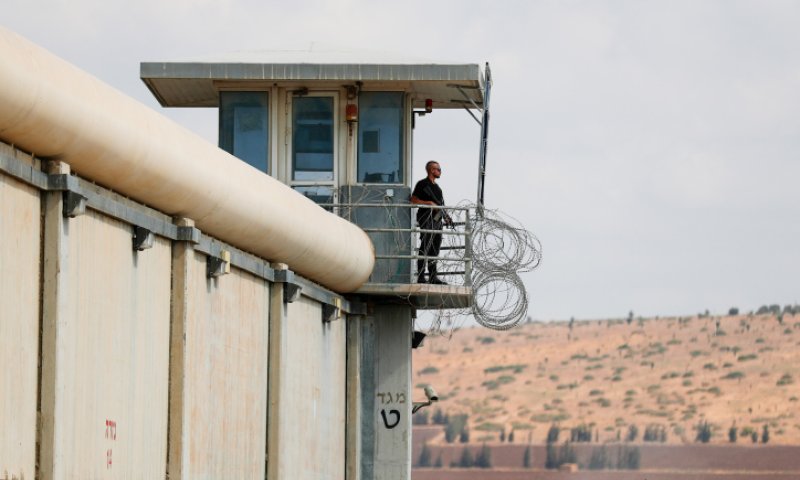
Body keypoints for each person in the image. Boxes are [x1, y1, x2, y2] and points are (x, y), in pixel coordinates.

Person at [410, 161, 452, 284]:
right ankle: (421, 276)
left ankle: (433, 277)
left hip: (437, 220)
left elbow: (441, 206)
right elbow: (413, 200)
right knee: (425, 246)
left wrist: (447, 217)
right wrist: (428, 203)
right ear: (431, 170)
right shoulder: (422, 184)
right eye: (438, 169)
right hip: (425, 218)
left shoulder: (438, 189)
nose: (440, 171)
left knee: (435, 248)